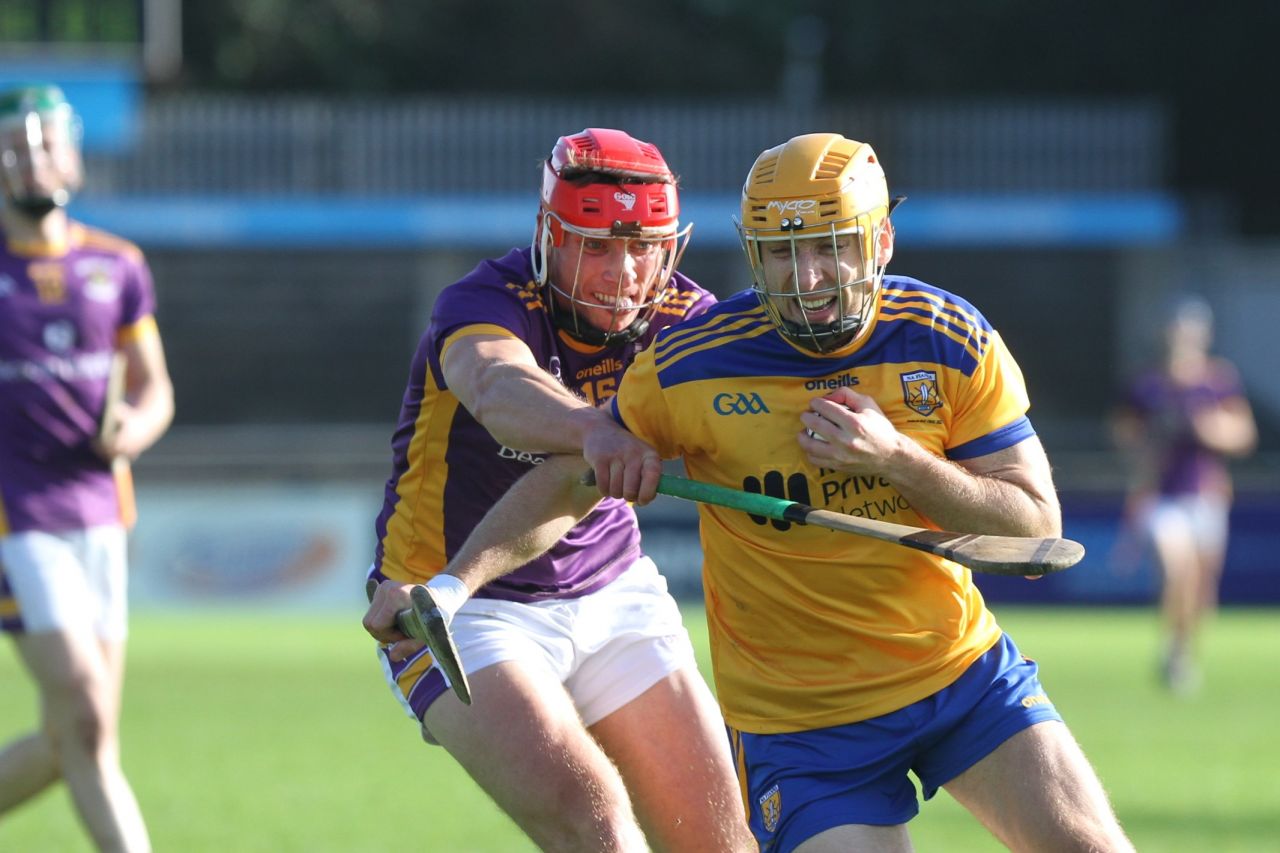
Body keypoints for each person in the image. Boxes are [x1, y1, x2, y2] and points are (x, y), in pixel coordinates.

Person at [402, 132, 1138, 852]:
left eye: (829, 247)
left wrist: (898, 461)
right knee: (596, 824)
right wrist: (454, 582)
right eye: (782, 253)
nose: (807, 278)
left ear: (879, 241)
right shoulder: (686, 360)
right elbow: (547, 451)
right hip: (802, 729)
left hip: (960, 677)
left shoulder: (947, 339)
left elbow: (1034, 529)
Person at [361, 128, 753, 852]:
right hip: (455, 609)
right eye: (596, 245)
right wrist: (594, 427)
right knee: (595, 823)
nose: (623, 273)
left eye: (642, 248)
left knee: (725, 841)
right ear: (549, 234)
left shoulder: (686, 323)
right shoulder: (485, 300)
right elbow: (495, 384)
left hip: (614, 594)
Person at [0, 84, 173, 852]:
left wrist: (133, 427)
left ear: (72, 153)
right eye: (14, 146)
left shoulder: (118, 264)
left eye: (45, 144)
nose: (32, 160)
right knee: (89, 717)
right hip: (15, 515)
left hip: (103, 513)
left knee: (76, 734)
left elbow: (154, 385)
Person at [1111, 295, 1256, 694]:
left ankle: (1181, 651)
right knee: (1178, 570)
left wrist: (1210, 429)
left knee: (1201, 586)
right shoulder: (1149, 385)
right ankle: (1173, 654)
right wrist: (1146, 440)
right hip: (1160, 495)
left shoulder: (1217, 380)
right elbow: (1123, 432)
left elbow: (1242, 434)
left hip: (1205, 496)